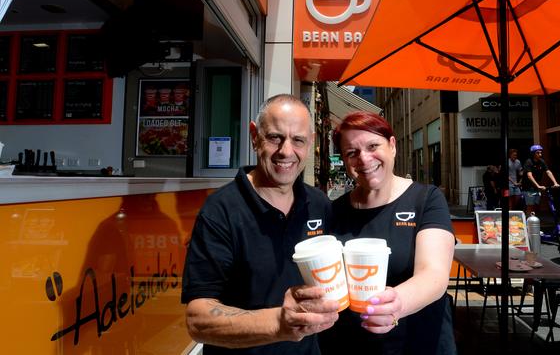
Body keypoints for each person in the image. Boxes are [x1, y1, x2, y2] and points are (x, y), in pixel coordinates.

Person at [181, 94, 339, 354]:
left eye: (298, 140)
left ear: (310, 143)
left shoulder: (319, 204)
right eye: (275, 137)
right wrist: (279, 323)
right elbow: (197, 320)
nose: (286, 151)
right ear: (255, 136)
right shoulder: (220, 210)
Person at [318, 111, 456, 354]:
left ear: (392, 146)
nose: (364, 159)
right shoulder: (334, 211)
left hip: (418, 342)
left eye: (373, 146)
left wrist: (395, 304)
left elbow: (434, 274)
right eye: (352, 152)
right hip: (350, 344)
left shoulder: (426, 200)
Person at [522, 144, 560, 217]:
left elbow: (548, 172)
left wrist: (555, 183)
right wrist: (538, 185)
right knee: (530, 206)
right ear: (533, 153)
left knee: (536, 206)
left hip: (537, 188)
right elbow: (529, 176)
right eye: (538, 153)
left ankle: (532, 221)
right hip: (528, 188)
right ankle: (528, 223)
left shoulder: (542, 161)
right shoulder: (529, 162)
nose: (540, 154)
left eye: (540, 152)